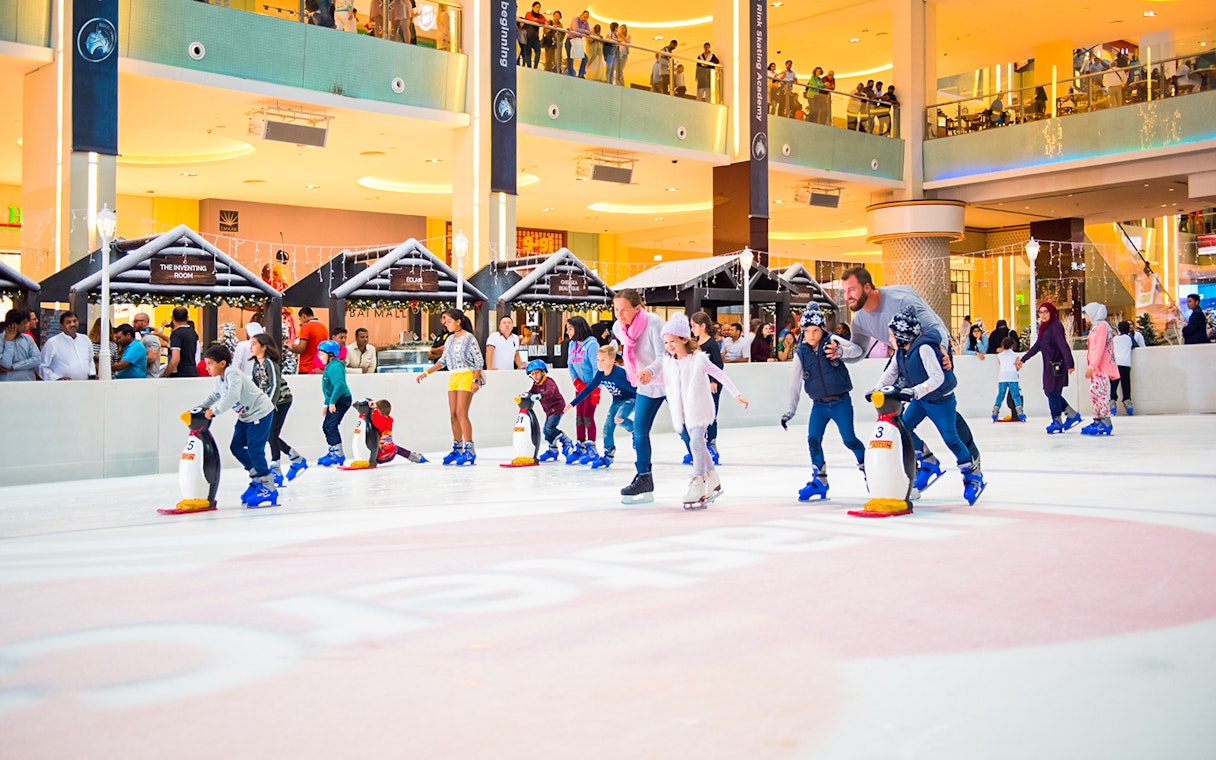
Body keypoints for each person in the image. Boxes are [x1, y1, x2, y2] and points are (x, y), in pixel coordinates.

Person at [873, 308, 986, 505]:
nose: (889, 339)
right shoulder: (901, 352)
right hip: (921, 400)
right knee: (903, 430)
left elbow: (937, 377)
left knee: (950, 437)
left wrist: (915, 391)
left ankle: (972, 474)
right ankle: (928, 461)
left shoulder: (924, 349)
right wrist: (876, 390)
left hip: (941, 400)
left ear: (901, 336)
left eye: (891, 335)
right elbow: (890, 373)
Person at [660, 312, 747, 509]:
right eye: (665, 342)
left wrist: (736, 394)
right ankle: (713, 477)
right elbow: (663, 379)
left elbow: (719, 373)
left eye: (672, 341)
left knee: (696, 441)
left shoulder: (698, 359)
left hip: (699, 408)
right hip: (684, 411)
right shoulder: (670, 362)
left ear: (683, 338)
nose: (669, 346)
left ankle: (698, 480)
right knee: (697, 443)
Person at [781, 307, 866, 501]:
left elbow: (857, 350)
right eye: (807, 331)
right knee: (813, 440)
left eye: (816, 330)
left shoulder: (832, 341)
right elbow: (795, 383)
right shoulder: (801, 352)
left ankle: (868, 469)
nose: (811, 335)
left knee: (849, 440)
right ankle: (820, 481)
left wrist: (840, 351)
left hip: (840, 401)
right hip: (818, 405)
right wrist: (790, 410)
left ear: (822, 329)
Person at [612, 288, 666, 503]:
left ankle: (704, 473)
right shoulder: (619, 328)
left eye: (624, 310)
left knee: (685, 429)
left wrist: (649, 371)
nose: (620, 315)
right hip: (646, 385)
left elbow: (665, 356)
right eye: (616, 309)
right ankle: (644, 477)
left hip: (667, 381)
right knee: (640, 431)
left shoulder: (653, 322)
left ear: (637, 308)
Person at [416, 309, 485, 466]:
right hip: (453, 376)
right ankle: (458, 447)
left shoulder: (469, 338)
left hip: (466, 375)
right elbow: (443, 361)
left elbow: (478, 361)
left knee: (462, 413)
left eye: (448, 321)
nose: (446, 324)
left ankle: (470, 450)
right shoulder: (449, 340)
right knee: (453, 414)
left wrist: (475, 380)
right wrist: (426, 373)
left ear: (458, 321)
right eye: (445, 322)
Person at [565, 344, 636, 469]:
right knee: (607, 428)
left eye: (602, 360)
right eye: (598, 360)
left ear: (612, 361)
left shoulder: (620, 374)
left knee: (619, 418)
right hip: (617, 401)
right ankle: (609, 454)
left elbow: (636, 389)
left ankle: (635, 431)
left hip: (632, 399)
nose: (599, 363)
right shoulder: (600, 374)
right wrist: (572, 403)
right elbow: (589, 389)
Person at [250, 333, 307, 484]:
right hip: (269, 404)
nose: (251, 347)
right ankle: (296, 458)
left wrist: (269, 404)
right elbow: (256, 387)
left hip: (281, 401)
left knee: (271, 434)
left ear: (264, 347)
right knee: (270, 434)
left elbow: (275, 385)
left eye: (254, 344)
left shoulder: (269, 364)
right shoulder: (256, 365)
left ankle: (276, 467)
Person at [1017, 302, 1082, 434]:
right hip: (1050, 366)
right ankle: (1071, 414)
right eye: (1041, 312)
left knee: (1052, 392)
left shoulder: (1055, 326)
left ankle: (1057, 420)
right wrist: (1023, 359)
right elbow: (1037, 346)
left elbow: (1063, 344)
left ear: (1051, 312)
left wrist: (1070, 363)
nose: (1043, 315)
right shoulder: (1045, 328)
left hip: (1057, 365)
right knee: (1051, 392)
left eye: (1046, 312)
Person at [681, 312, 724, 464]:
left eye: (694, 326)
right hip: (699, 385)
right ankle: (698, 449)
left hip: (711, 385)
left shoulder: (711, 343)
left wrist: (713, 381)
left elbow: (718, 364)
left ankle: (712, 446)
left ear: (703, 326)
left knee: (710, 415)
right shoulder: (695, 343)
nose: (692, 329)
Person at [565, 316, 601, 463]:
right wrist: (576, 382)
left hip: (592, 387)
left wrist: (595, 389)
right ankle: (580, 446)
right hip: (580, 387)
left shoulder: (592, 344)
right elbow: (570, 365)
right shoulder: (572, 345)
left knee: (587, 416)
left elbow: (596, 367)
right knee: (579, 417)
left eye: (570, 329)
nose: (567, 332)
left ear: (578, 328)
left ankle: (591, 447)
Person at [1080, 302, 1119, 436]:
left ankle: (1106, 422)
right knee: (1094, 393)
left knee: (1100, 394)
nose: (1085, 316)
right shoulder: (1096, 328)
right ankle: (1098, 420)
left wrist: (1092, 366)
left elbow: (1099, 348)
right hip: (1096, 367)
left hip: (1100, 367)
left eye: (1086, 313)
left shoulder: (1102, 327)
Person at [525, 359, 573, 462]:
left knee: (550, 427)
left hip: (557, 408)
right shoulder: (536, 385)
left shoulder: (549, 381)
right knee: (546, 431)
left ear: (543, 372)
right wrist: (524, 397)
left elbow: (550, 392)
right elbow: (530, 393)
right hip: (548, 411)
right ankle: (553, 450)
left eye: (537, 373)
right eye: (532, 374)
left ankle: (566, 440)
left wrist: (539, 396)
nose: (535, 376)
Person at [317, 339, 353, 467]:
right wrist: (326, 404)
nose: (319, 356)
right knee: (327, 426)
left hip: (341, 400)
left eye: (321, 354)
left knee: (331, 425)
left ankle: (338, 454)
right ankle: (333, 451)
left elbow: (339, 385)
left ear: (330, 354)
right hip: (335, 400)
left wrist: (332, 402)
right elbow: (329, 388)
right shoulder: (330, 366)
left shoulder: (335, 367)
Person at [39, 311, 94, 382]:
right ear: (61, 326)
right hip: (62, 387)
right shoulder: (52, 343)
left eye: (75, 321)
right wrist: (55, 379)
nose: (72, 324)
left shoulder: (85, 339)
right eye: (68, 322)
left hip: (85, 384)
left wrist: (92, 375)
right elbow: (42, 366)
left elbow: (90, 360)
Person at [368, 399, 428, 464]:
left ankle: (416, 457)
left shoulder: (381, 422)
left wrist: (374, 408)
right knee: (397, 448)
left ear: (378, 410)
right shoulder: (389, 421)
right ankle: (417, 458)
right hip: (391, 453)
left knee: (378, 447)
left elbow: (376, 421)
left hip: (379, 457)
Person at [0, 309, 40, 381]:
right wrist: (9, 342)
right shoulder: (1, 340)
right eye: (24, 323)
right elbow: (5, 365)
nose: (26, 325)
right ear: (14, 324)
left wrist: (14, 367)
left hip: (28, 382)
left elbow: (37, 359)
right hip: (8, 384)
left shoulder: (28, 339)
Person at [992, 336, 1025, 422]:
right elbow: (1018, 366)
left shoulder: (999, 356)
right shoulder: (1016, 355)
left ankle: (995, 412)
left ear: (1002, 345)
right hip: (1013, 377)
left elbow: (1000, 364)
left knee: (1000, 395)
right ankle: (1020, 413)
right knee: (1016, 395)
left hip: (1002, 377)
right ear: (1012, 345)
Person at [163, 307, 199, 378]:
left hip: (179, 374)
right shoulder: (193, 332)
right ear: (187, 318)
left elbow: (175, 359)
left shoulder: (176, 334)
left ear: (172, 318)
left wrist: (165, 374)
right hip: (192, 371)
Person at [291, 306, 328, 374]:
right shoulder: (324, 328)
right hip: (320, 368)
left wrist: (291, 348)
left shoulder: (306, 326)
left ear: (304, 316)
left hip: (306, 368)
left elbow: (301, 349)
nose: (301, 323)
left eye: (300, 319)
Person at [1110, 320, 1136, 416]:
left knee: (1113, 385)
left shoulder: (1114, 338)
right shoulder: (1129, 338)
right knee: (1125, 384)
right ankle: (1127, 403)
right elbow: (1135, 345)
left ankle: (1112, 403)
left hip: (1115, 365)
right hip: (1125, 364)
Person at [131, 311, 166, 378]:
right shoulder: (145, 338)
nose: (134, 324)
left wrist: (131, 362)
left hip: (149, 378)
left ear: (145, 322)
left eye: (136, 321)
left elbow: (151, 358)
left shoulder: (150, 338)